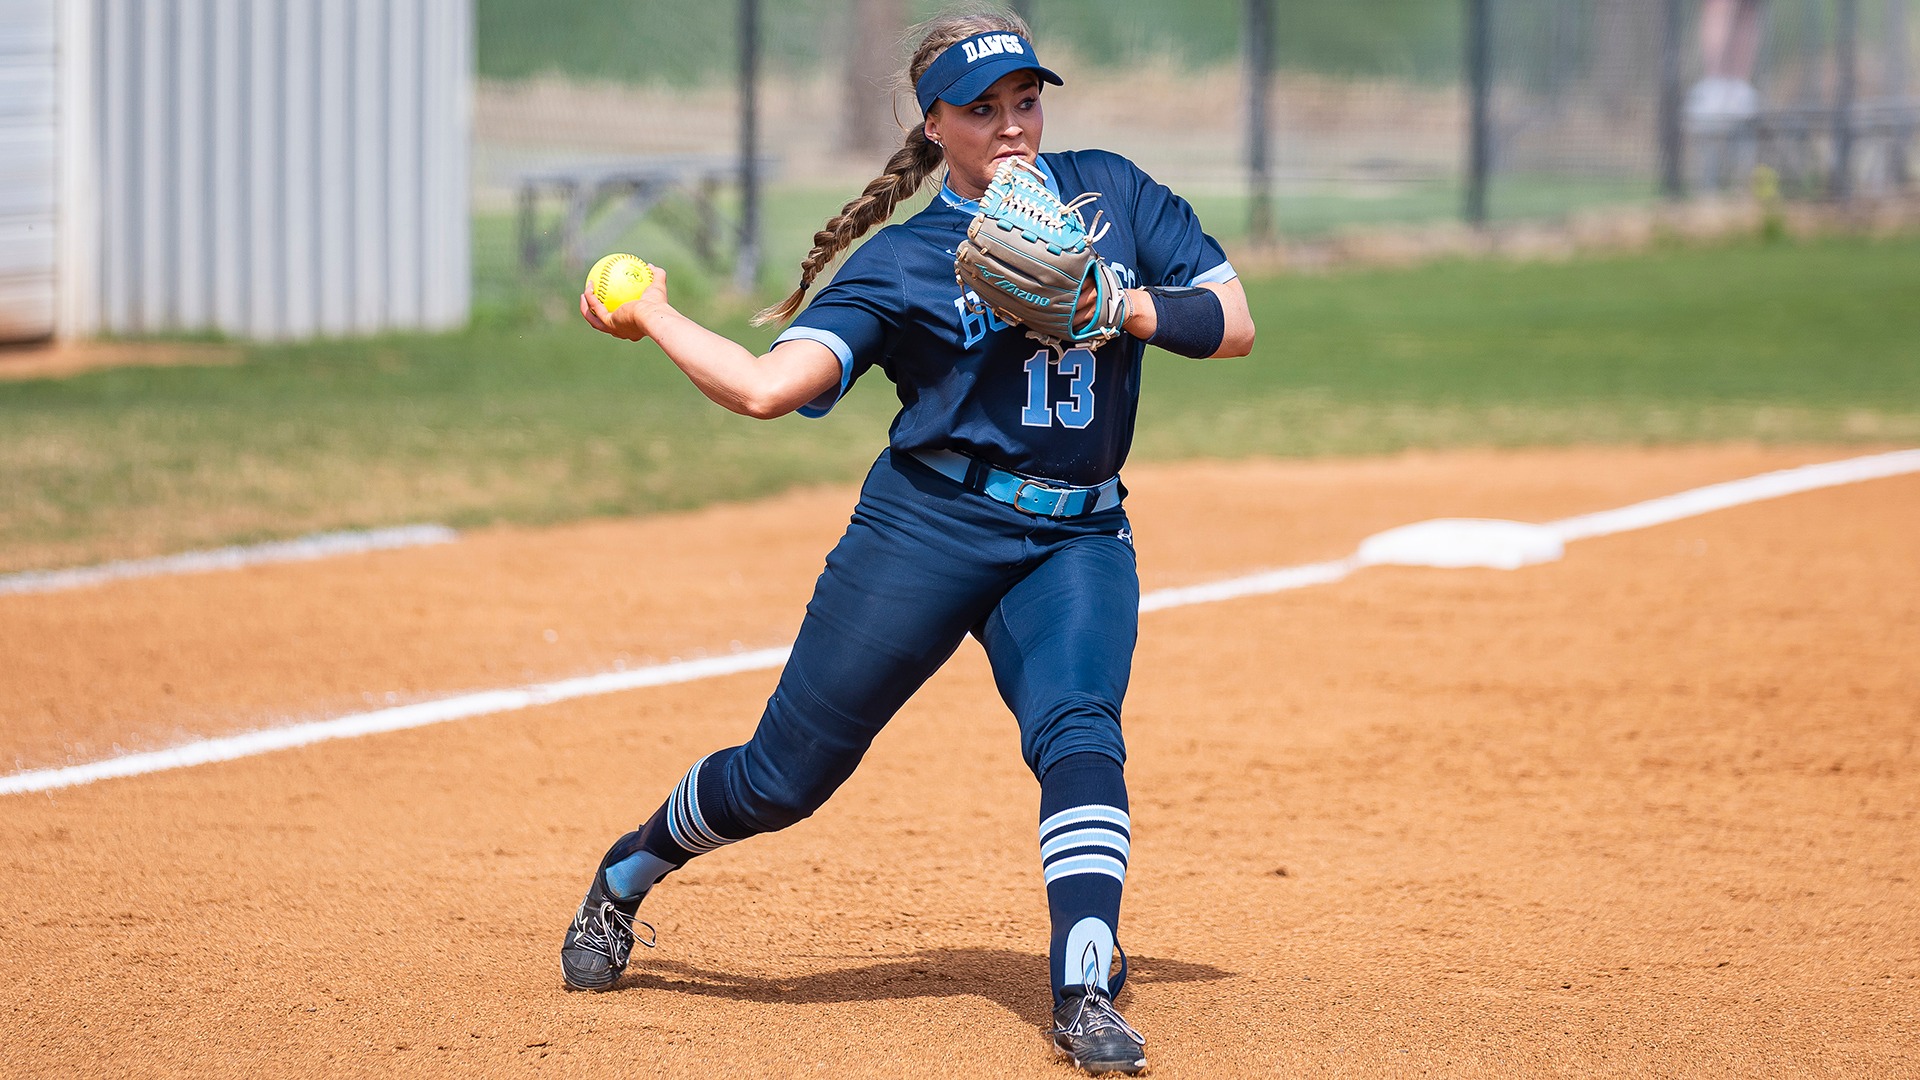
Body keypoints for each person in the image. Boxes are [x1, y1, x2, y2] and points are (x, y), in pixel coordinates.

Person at [566, 9, 1254, 1074]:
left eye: (1026, 100)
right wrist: (653, 312)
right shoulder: (906, 262)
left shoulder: (1110, 194)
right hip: (926, 527)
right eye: (982, 110)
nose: (1013, 126)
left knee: (1080, 732)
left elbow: (1232, 320)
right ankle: (625, 876)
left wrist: (1112, 302)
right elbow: (762, 390)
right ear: (934, 127)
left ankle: (1081, 988)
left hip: (1076, 537)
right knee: (781, 781)